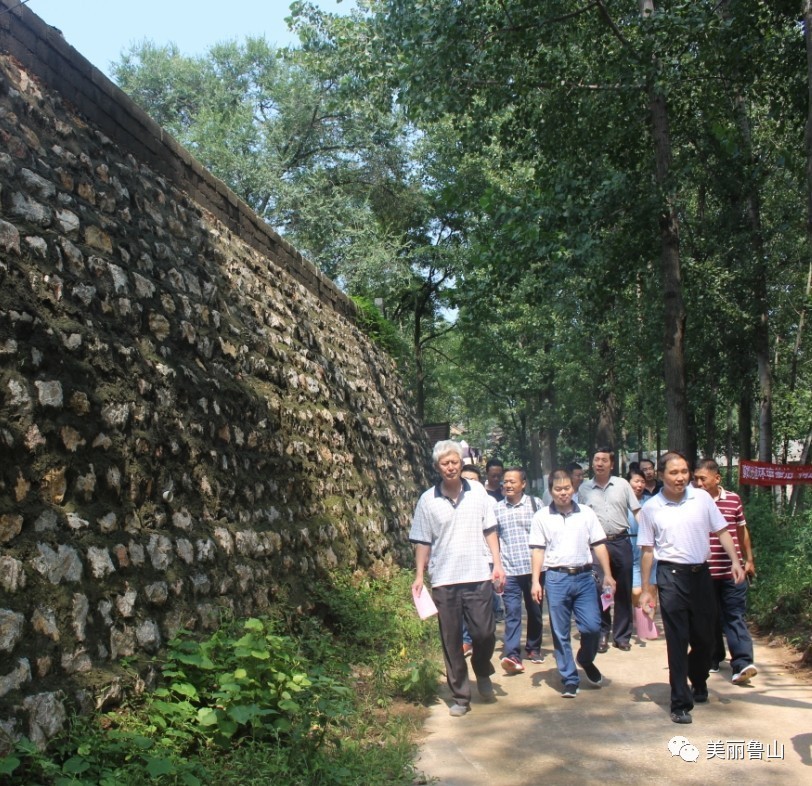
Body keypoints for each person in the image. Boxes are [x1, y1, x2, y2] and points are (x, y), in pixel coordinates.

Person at [639, 452, 745, 725]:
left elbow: (722, 530)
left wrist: (736, 560)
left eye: (684, 471)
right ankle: (679, 702)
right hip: (671, 576)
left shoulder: (701, 498)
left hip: (701, 576)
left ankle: (698, 678)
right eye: (674, 472)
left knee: (706, 639)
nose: (681, 477)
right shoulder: (652, 508)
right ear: (661, 475)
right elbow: (648, 550)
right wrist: (647, 588)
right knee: (677, 639)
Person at [411, 441, 505, 717]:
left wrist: (497, 563)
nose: (450, 467)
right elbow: (422, 541)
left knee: (484, 633)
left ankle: (482, 667)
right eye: (444, 463)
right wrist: (419, 575)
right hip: (444, 578)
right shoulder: (427, 500)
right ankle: (461, 696)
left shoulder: (478, 492)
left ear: (461, 463)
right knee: (452, 640)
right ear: (437, 467)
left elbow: (490, 529)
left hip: (478, 574)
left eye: (454, 462)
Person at [530, 468, 616, 697]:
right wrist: (536, 582)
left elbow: (598, 544)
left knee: (592, 627)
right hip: (556, 579)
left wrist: (608, 574)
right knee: (560, 632)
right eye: (558, 489)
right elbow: (538, 550)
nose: (563, 493)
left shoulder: (586, 513)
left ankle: (585, 659)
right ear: (551, 491)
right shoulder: (541, 517)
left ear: (573, 488)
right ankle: (569, 677)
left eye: (567, 488)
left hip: (584, 577)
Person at [693, 458, 757, 684]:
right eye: (696, 479)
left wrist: (748, 559)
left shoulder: (733, 500)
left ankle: (742, 663)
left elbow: (742, 531)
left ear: (717, 478)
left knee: (734, 615)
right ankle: (713, 656)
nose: (699, 483)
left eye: (703, 478)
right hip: (704, 572)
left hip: (733, 571)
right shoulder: (691, 502)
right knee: (709, 617)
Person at [578, 446, 640, 652]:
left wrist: (649, 536)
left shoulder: (622, 485)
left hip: (621, 541)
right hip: (596, 545)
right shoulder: (584, 489)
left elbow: (637, 511)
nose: (599, 463)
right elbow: (580, 518)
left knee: (623, 588)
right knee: (598, 589)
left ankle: (622, 636)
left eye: (604, 460)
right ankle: (602, 633)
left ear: (611, 464)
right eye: (596, 459)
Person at [496, 468, 545, 674]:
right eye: (505, 482)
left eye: (512, 482)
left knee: (535, 611)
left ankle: (533, 648)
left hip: (534, 570)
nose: (508, 485)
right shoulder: (496, 509)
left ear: (523, 484)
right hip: (510, 569)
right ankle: (512, 653)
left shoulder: (536, 505)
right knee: (512, 612)